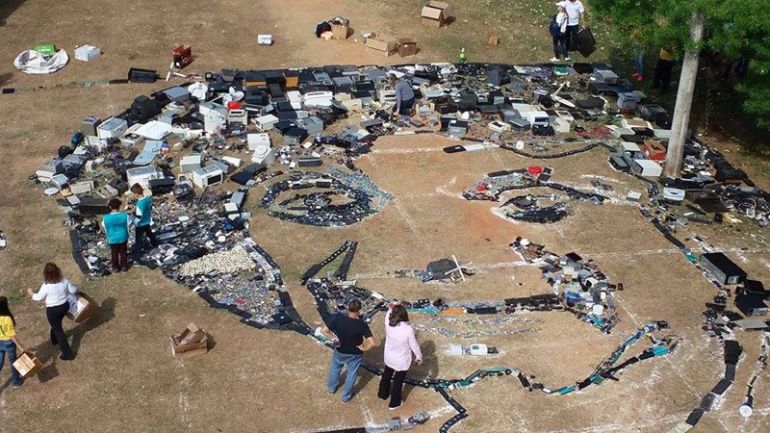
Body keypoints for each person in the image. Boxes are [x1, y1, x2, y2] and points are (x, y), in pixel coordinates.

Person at [322, 299, 376, 402]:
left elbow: (324, 330)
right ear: (359, 311)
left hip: (340, 350)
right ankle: (345, 397)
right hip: (355, 354)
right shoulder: (362, 324)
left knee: (335, 368)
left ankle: (331, 388)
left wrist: (335, 339)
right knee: (352, 373)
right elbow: (372, 343)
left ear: (348, 308)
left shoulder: (338, 319)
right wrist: (364, 348)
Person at [27, 263, 77, 361]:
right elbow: (74, 290)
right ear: (58, 271)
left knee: (58, 330)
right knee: (56, 324)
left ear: (46, 274)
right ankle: (54, 340)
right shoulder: (64, 281)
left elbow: (38, 298)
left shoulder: (46, 286)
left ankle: (68, 353)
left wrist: (31, 293)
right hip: (64, 306)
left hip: (53, 311)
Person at [378, 303, 422, 410]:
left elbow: (388, 313)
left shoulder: (388, 322)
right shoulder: (408, 329)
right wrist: (419, 356)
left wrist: (391, 307)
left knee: (386, 375)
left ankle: (382, 394)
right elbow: (414, 345)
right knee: (398, 381)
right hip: (401, 360)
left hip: (389, 357)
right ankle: (394, 403)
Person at [0, 297, 26, 387]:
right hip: (8, 343)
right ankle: (16, 381)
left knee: (0, 362)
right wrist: (20, 347)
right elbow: (11, 335)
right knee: (13, 362)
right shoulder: (7, 319)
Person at [130, 183, 158, 261]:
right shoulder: (147, 199)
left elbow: (139, 216)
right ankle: (156, 245)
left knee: (138, 241)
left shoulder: (139, 204)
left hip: (140, 224)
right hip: (147, 221)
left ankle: (137, 257)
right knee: (150, 234)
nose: (132, 195)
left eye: (132, 193)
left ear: (136, 193)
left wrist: (134, 222)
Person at [102, 198, 130, 272]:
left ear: (110, 207)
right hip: (123, 237)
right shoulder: (125, 216)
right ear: (119, 206)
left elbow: (104, 226)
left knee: (114, 253)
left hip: (112, 238)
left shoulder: (105, 218)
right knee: (123, 252)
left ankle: (115, 267)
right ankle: (124, 266)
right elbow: (128, 224)